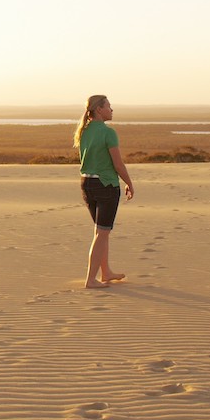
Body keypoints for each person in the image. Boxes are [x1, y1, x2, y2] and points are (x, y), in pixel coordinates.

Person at [74, 95, 134, 289]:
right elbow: (117, 163)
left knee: (101, 231)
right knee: (102, 232)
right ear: (99, 110)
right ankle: (91, 279)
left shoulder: (83, 131)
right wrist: (129, 183)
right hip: (106, 185)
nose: (111, 109)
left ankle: (105, 272)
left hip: (87, 184)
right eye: (108, 106)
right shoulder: (108, 132)